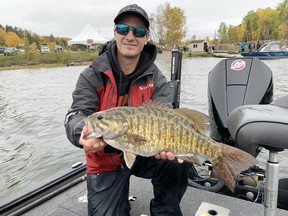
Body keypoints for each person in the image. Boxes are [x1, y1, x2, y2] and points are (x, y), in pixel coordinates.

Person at [64, 4, 189, 216]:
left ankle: (165, 210)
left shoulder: (157, 80)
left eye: (138, 31)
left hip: (145, 151)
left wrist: (166, 143)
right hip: (105, 159)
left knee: (177, 161)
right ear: (114, 33)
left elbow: (166, 115)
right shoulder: (92, 74)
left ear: (146, 37)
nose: (130, 36)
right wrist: (81, 133)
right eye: (123, 29)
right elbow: (76, 115)